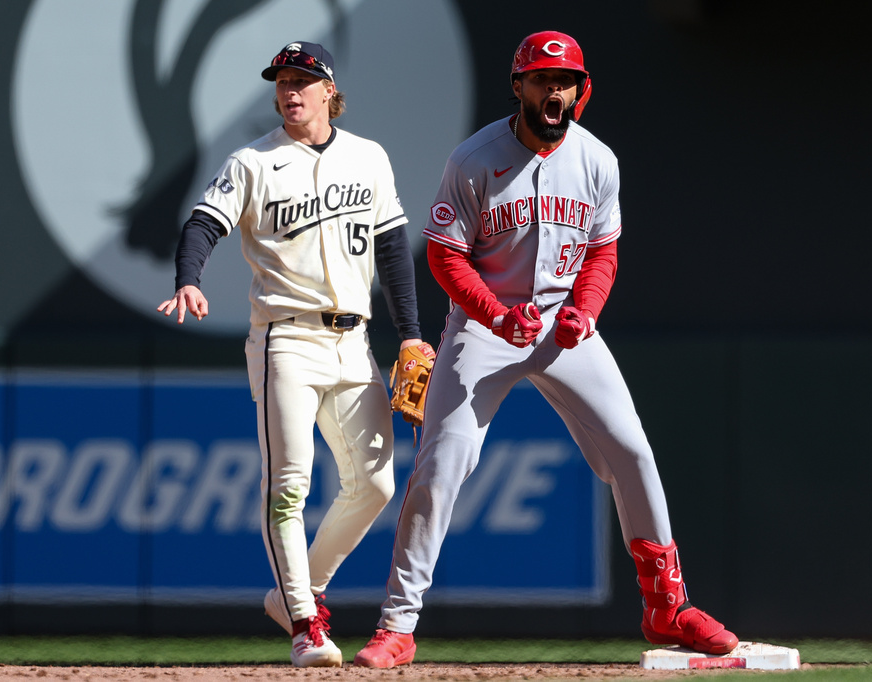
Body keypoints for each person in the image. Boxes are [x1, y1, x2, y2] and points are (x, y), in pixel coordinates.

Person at [353, 31, 738, 668]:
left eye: (564, 81)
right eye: (540, 80)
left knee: (633, 451)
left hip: (563, 324)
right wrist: (495, 315)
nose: (553, 92)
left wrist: (585, 312)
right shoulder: (475, 157)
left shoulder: (597, 160)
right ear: (519, 86)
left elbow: (601, 253)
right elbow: (447, 256)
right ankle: (398, 625)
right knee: (441, 464)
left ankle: (667, 606)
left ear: (580, 89)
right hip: (483, 328)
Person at [157, 41, 431, 668]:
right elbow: (202, 223)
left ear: (330, 91)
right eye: (282, 79)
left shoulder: (368, 157)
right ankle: (306, 625)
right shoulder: (253, 162)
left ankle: (298, 591)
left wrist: (411, 333)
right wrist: (188, 278)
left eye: (304, 79)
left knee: (376, 484)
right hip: (286, 337)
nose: (290, 89)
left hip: (354, 340)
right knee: (289, 487)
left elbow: (392, 251)